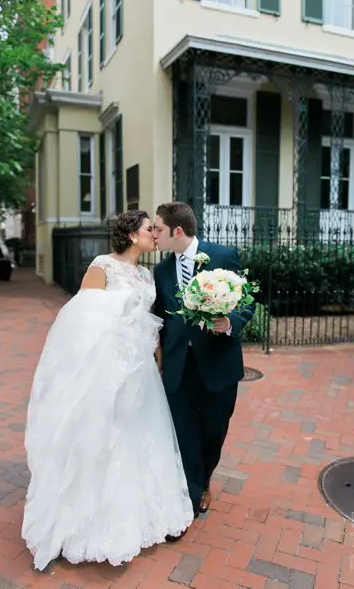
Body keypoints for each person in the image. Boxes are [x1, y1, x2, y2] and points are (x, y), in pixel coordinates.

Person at [22, 210, 193, 570]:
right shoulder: (102, 266)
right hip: (110, 368)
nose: (155, 235)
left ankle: (143, 513)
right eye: (150, 229)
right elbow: (81, 321)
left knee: (140, 436)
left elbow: (151, 323)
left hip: (142, 369)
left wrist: (157, 353)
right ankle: (87, 521)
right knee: (105, 435)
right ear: (132, 235)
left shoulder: (147, 273)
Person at [152, 202, 253, 534]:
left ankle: (205, 477)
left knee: (213, 431)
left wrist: (229, 323)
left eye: (158, 229)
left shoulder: (223, 257)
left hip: (218, 365)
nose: (154, 234)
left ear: (177, 231)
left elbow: (248, 304)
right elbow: (161, 319)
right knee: (183, 433)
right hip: (179, 366)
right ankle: (190, 497)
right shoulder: (161, 271)